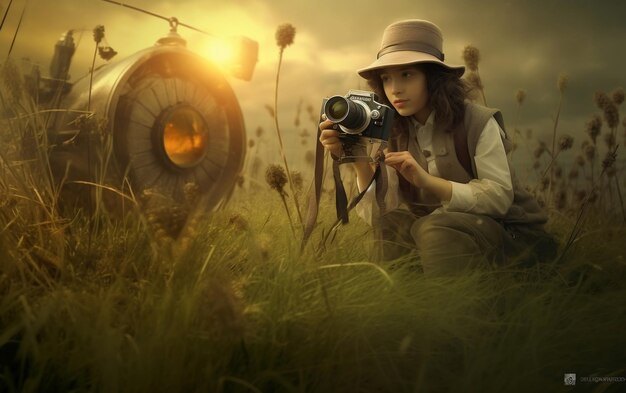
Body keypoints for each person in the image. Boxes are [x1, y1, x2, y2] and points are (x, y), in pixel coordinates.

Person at [318, 19, 557, 276]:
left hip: (514, 237)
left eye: (407, 75)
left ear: (432, 79)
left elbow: (498, 199)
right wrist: (358, 160)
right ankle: (401, 303)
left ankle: (450, 308)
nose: (395, 89)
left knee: (433, 227)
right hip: (443, 240)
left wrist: (428, 182)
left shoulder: (478, 121)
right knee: (390, 225)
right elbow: (381, 212)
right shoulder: (392, 129)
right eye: (386, 79)